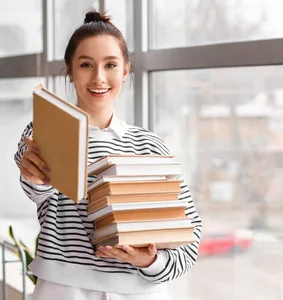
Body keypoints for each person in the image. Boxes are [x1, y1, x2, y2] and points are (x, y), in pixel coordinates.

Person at [14, 9, 202, 300]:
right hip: (64, 290)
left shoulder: (151, 146)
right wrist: (35, 176)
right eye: (86, 64)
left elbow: (188, 237)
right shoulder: (45, 128)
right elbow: (38, 192)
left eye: (111, 65)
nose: (99, 78)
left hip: (142, 293)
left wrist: (149, 261)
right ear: (70, 70)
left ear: (125, 71)